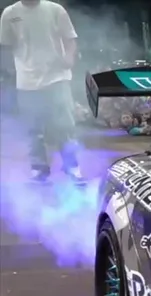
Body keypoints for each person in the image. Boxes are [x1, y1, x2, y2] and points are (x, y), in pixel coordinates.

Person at [0, 0, 82, 183]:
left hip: (57, 78)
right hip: (26, 81)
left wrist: (69, 58)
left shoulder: (55, 10)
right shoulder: (9, 14)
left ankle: (72, 167)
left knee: (65, 126)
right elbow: (5, 46)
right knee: (33, 130)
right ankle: (39, 169)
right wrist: (11, 73)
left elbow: (70, 38)